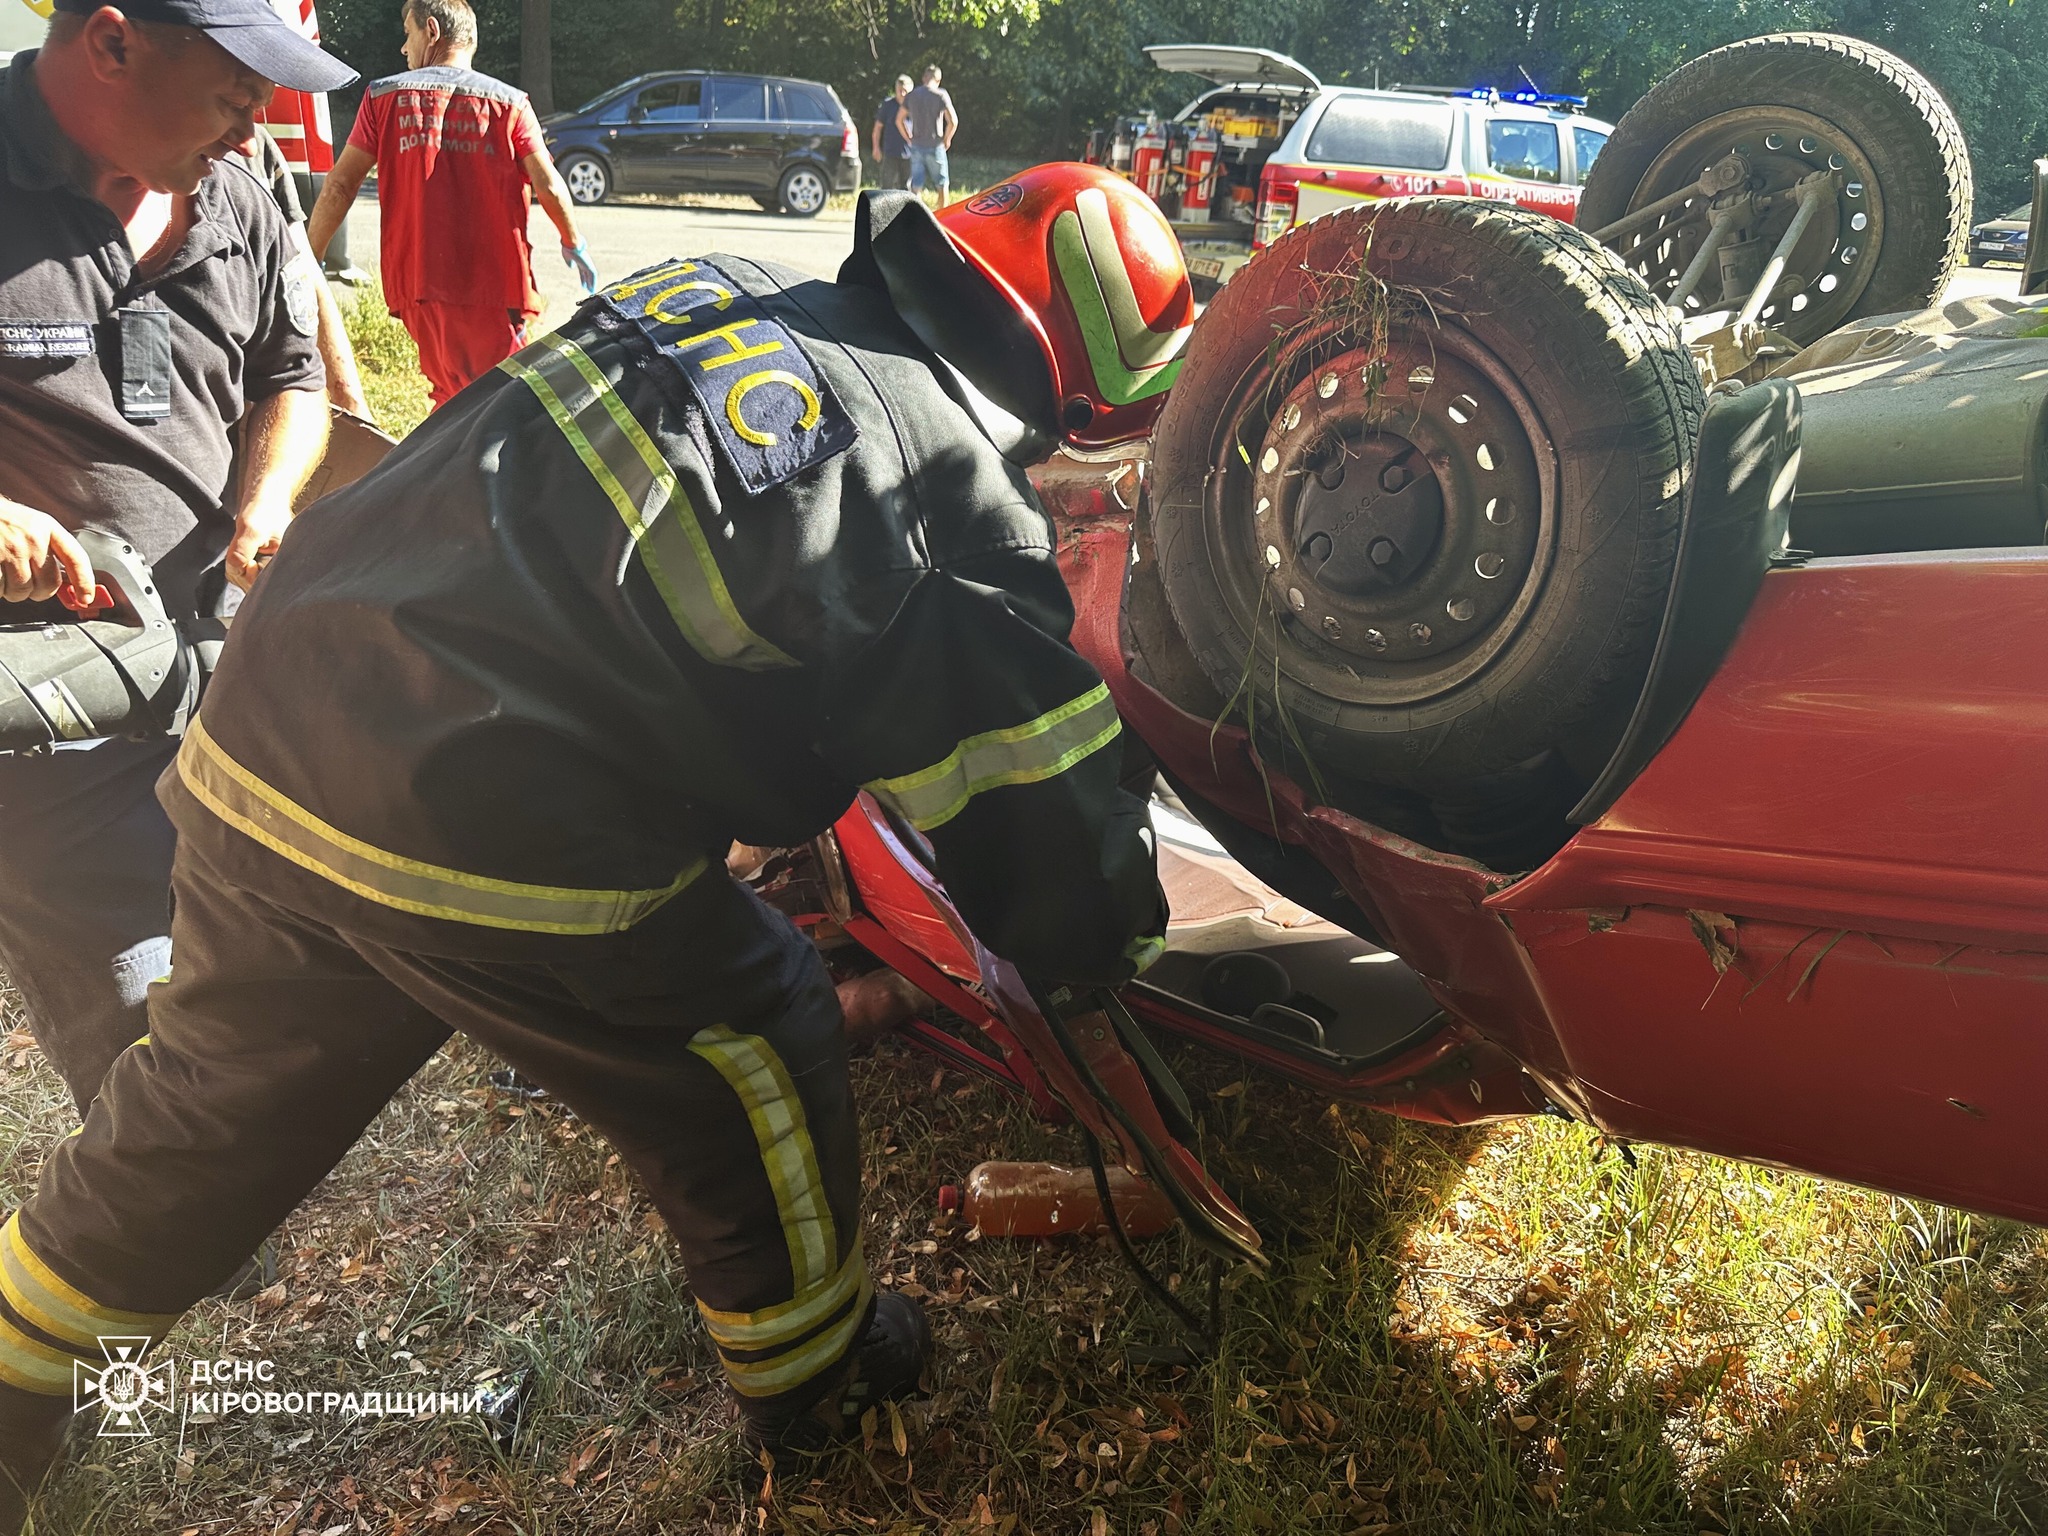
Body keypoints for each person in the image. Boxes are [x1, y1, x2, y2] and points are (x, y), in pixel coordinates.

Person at [0, 161, 1197, 1524]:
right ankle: (817, 1381)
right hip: (465, 801)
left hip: (273, 716)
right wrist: (1107, 945)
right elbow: (1035, 814)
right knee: (754, 1036)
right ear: (1067, 401)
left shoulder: (729, 288)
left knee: (202, 1117)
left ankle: (11, 1388)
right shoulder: (937, 493)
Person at [0, 0, 345, 1124]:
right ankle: (141, 1193)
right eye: (235, 97)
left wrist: (268, 500)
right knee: (141, 1025)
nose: (250, 131)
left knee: (247, 968)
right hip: (54, 707)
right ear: (112, 43)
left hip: (217, 666)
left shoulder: (237, 196)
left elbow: (291, 377)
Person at [305, 0, 591, 408]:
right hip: (493, 288)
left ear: (432, 31)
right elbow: (549, 185)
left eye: (408, 34)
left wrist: (310, 258)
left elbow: (339, 186)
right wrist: (573, 241)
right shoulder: (510, 104)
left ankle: (445, 448)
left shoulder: (382, 98)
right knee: (499, 402)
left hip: (417, 284)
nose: (404, 48)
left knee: (450, 394)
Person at [238, 123, 373, 419]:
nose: (244, 141)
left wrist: (351, 404)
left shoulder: (258, 151)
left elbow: (304, 274)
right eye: (231, 104)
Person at [898, 63, 956, 203]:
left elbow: (899, 120)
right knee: (942, 184)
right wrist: (947, 139)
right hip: (935, 145)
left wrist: (908, 137)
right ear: (938, 80)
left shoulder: (911, 95)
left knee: (916, 186)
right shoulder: (941, 95)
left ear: (924, 78)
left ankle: (917, 214)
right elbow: (953, 121)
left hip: (916, 145)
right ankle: (942, 215)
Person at [871, 72, 911, 191]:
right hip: (890, 153)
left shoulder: (914, 106)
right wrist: (876, 147)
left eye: (905, 91)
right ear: (895, 89)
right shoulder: (888, 105)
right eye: (899, 90)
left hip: (910, 153)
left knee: (906, 189)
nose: (902, 94)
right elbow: (878, 127)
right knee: (886, 188)